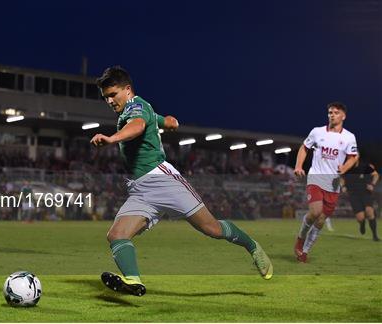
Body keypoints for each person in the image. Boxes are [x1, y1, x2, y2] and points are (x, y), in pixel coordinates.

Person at [90, 66, 273, 296]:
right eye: (105, 97)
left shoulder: (135, 106)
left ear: (127, 90)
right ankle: (133, 281)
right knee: (116, 235)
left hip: (163, 181)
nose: (109, 100)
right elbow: (157, 120)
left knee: (212, 228)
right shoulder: (137, 109)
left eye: (112, 94)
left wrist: (111, 139)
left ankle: (252, 246)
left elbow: (137, 126)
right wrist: (169, 122)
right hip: (140, 189)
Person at [294, 102, 358, 263]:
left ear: (343, 116)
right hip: (316, 176)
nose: (332, 115)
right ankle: (300, 239)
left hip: (333, 183)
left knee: (321, 220)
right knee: (315, 212)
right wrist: (298, 166)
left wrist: (344, 168)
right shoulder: (317, 132)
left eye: (336, 112)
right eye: (330, 112)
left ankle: (305, 251)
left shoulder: (349, 137)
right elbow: (304, 148)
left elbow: (353, 157)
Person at [341, 155, 379, 241]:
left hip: (365, 192)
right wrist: (343, 186)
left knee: (369, 212)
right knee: (360, 217)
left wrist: (372, 184)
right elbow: (341, 178)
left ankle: (375, 236)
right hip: (353, 194)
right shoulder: (346, 167)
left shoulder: (365, 166)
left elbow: (376, 175)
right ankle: (362, 224)